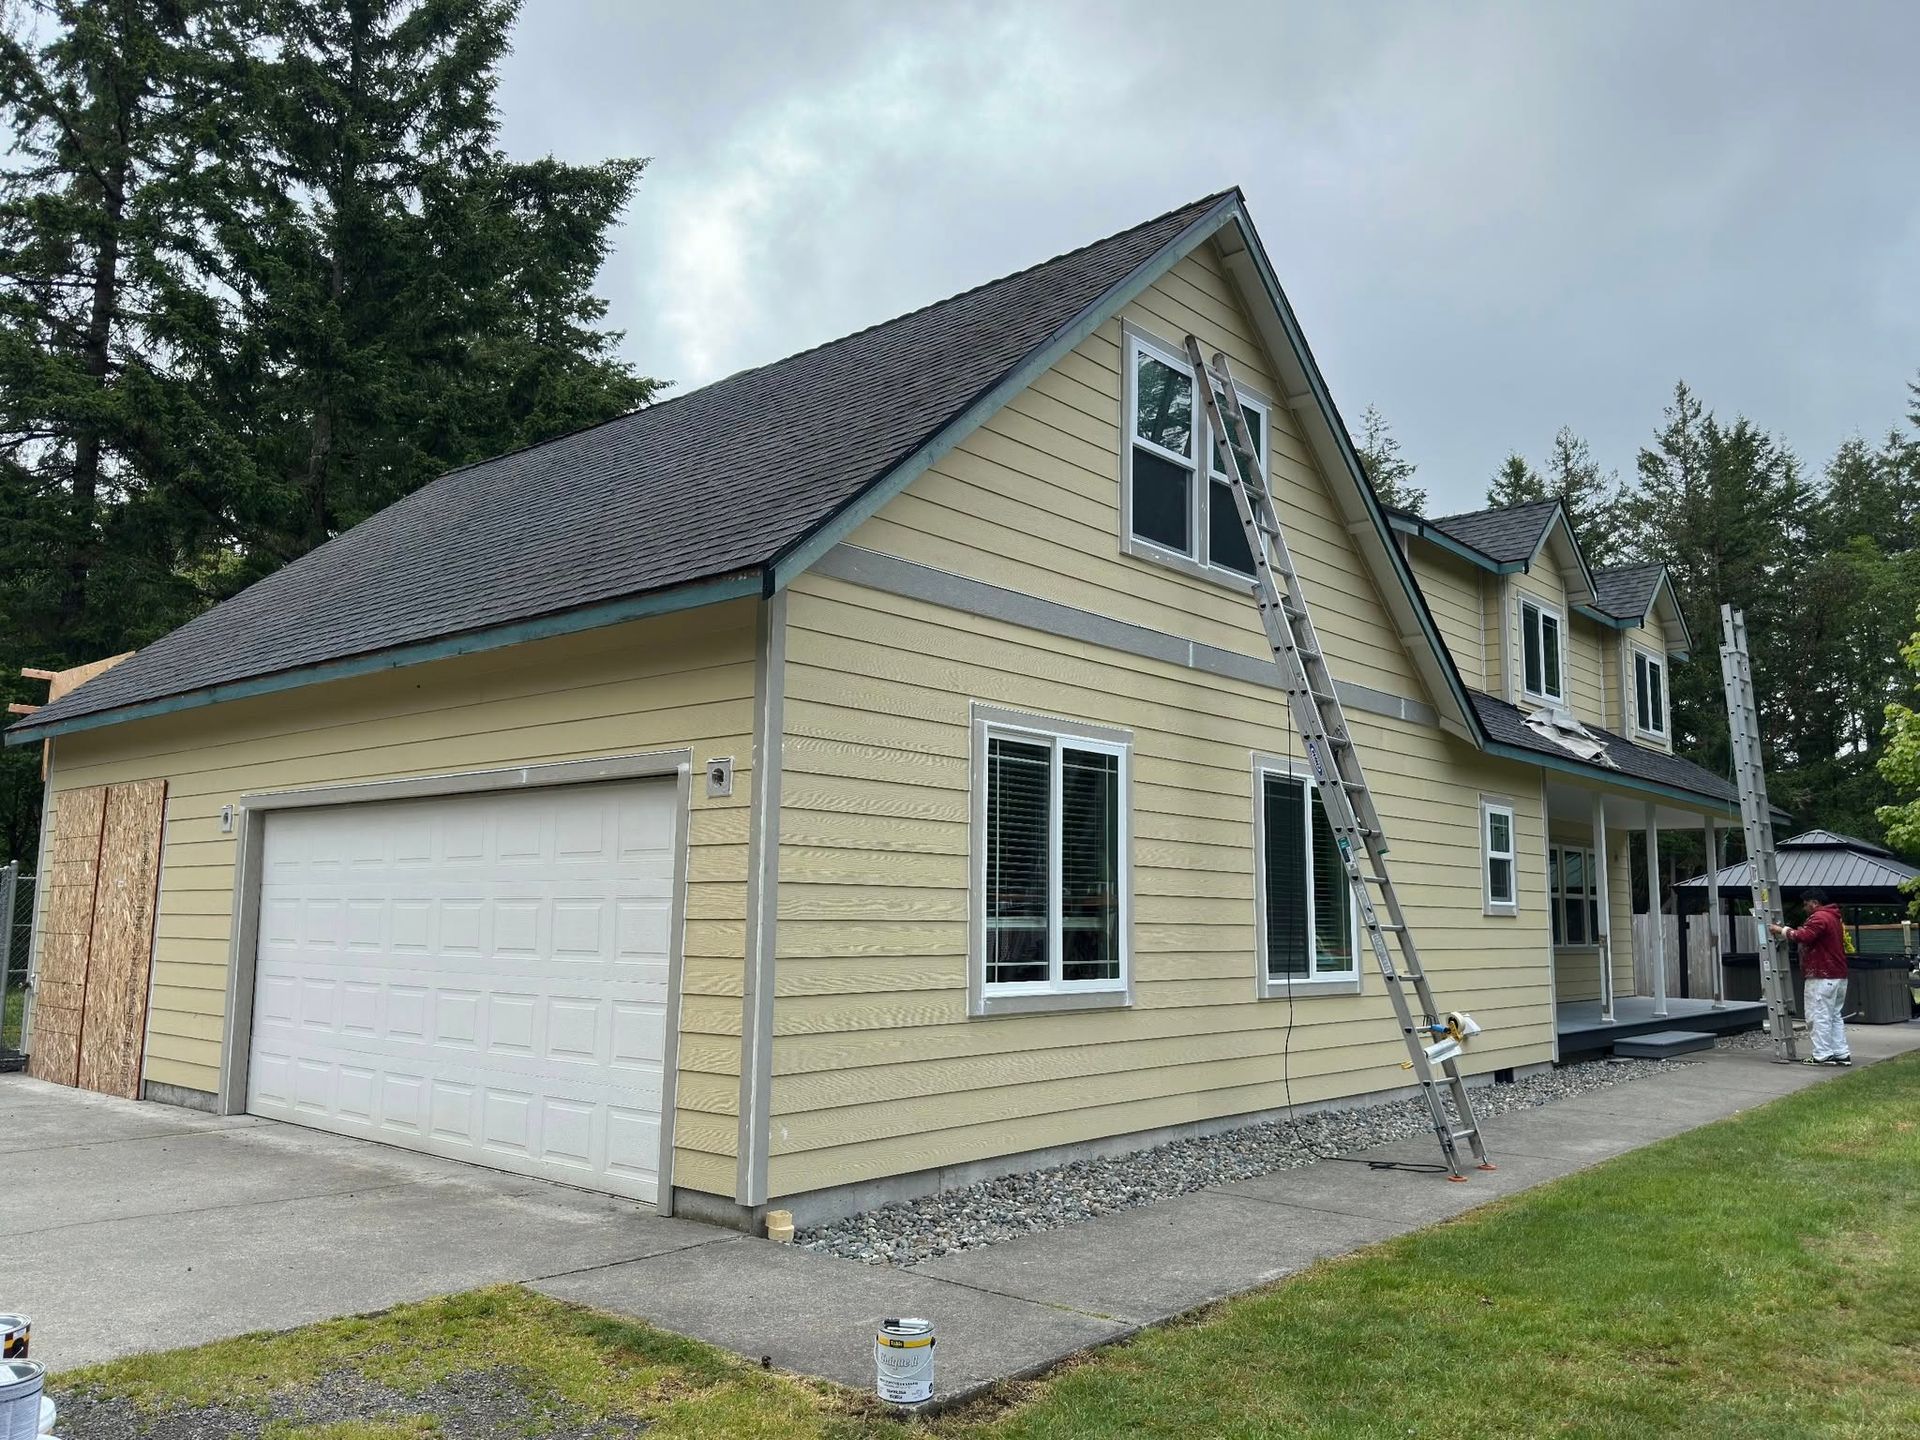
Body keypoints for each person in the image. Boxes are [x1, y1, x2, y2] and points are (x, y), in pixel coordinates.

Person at [1769, 890, 1850, 1066]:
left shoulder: (1819, 917)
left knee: (1817, 1015)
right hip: (1838, 975)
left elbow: (1804, 936)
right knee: (1834, 1015)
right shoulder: (1834, 917)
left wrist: (1781, 930)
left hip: (1822, 974)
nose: (1804, 908)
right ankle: (1841, 1053)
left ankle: (1822, 1055)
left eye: (1805, 904)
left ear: (1813, 902)